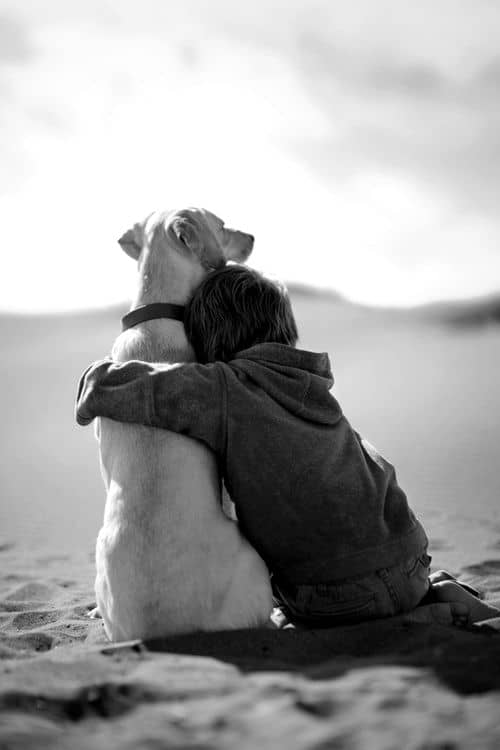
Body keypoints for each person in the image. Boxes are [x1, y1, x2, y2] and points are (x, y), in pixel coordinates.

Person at [76, 265, 499, 627]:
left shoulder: (227, 387)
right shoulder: (311, 382)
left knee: (288, 607)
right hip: (410, 561)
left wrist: (95, 378)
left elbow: (146, 390)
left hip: (336, 594)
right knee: (384, 576)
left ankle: (418, 619)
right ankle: (437, 594)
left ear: (212, 341)